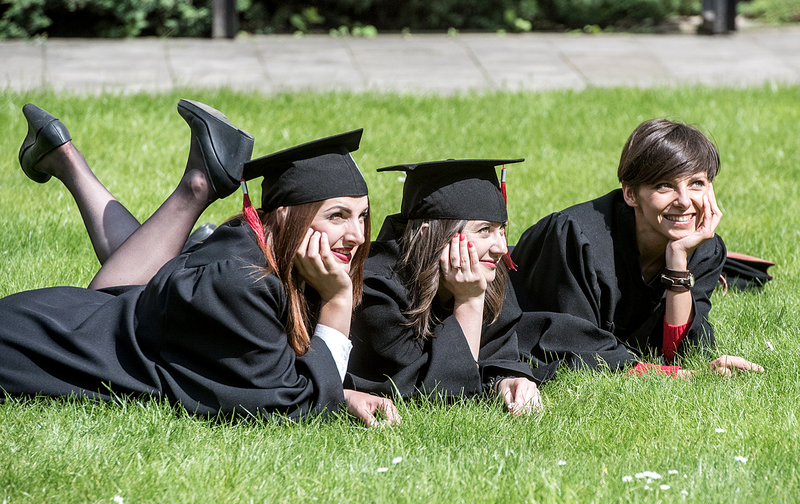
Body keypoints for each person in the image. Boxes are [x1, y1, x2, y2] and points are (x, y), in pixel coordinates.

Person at [0, 100, 398, 426]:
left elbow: (281, 372)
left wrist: (342, 392)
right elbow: (285, 407)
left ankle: (183, 179)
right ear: (282, 216)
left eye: (363, 216)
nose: (357, 235)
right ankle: (188, 180)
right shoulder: (239, 282)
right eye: (337, 216)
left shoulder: (262, 256)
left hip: (73, 318)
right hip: (29, 348)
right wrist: (337, 302)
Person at [510, 118, 764, 377]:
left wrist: (677, 260)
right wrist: (679, 376)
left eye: (696, 183)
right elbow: (578, 350)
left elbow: (681, 353)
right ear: (630, 193)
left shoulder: (704, 249)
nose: (684, 201)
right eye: (664, 185)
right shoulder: (575, 238)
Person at [346, 159, 556, 415]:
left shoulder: (486, 270)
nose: (502, 248)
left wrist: (506, 380)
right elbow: (442, 394)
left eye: (501, 229)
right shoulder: (376, 290)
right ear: (427, 234)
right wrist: (469, 301)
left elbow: (496, 352)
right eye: (484, 230)